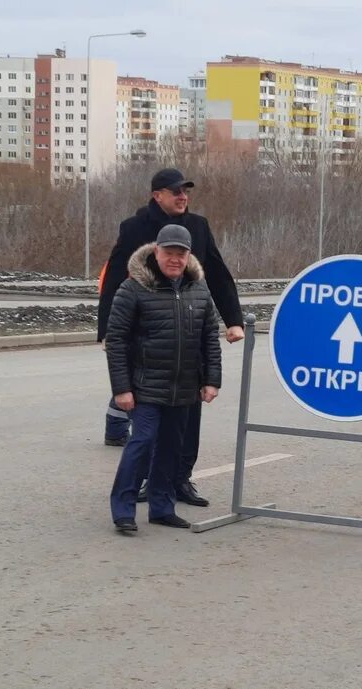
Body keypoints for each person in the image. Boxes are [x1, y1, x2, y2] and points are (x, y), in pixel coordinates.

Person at [98, 168, 244, 508]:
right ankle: (151, 479)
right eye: (175, 191)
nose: (183, 197)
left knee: (188, 419)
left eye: (185, 191)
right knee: (150, 419)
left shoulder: (199, 227)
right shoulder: (134, 228)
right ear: (157, 195)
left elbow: (219, 277)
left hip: (190, 334)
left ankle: (180, 479)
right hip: (149, 338)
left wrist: (233, 320)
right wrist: (105, 329)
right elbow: (116, 276)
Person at [106, 225, 222, 532]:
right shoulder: (133, 288)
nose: (174, 259)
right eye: (168, 253)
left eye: (180, 254)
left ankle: (161, 507)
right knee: (141, 442)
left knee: (172, 448)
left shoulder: (199, 288)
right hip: (145, 386)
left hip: (184, 387)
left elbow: (210, 336)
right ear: (156, 252)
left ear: (188, 256)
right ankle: (123, 509)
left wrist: (212, 380)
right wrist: (122, 388)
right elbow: (116, 339)